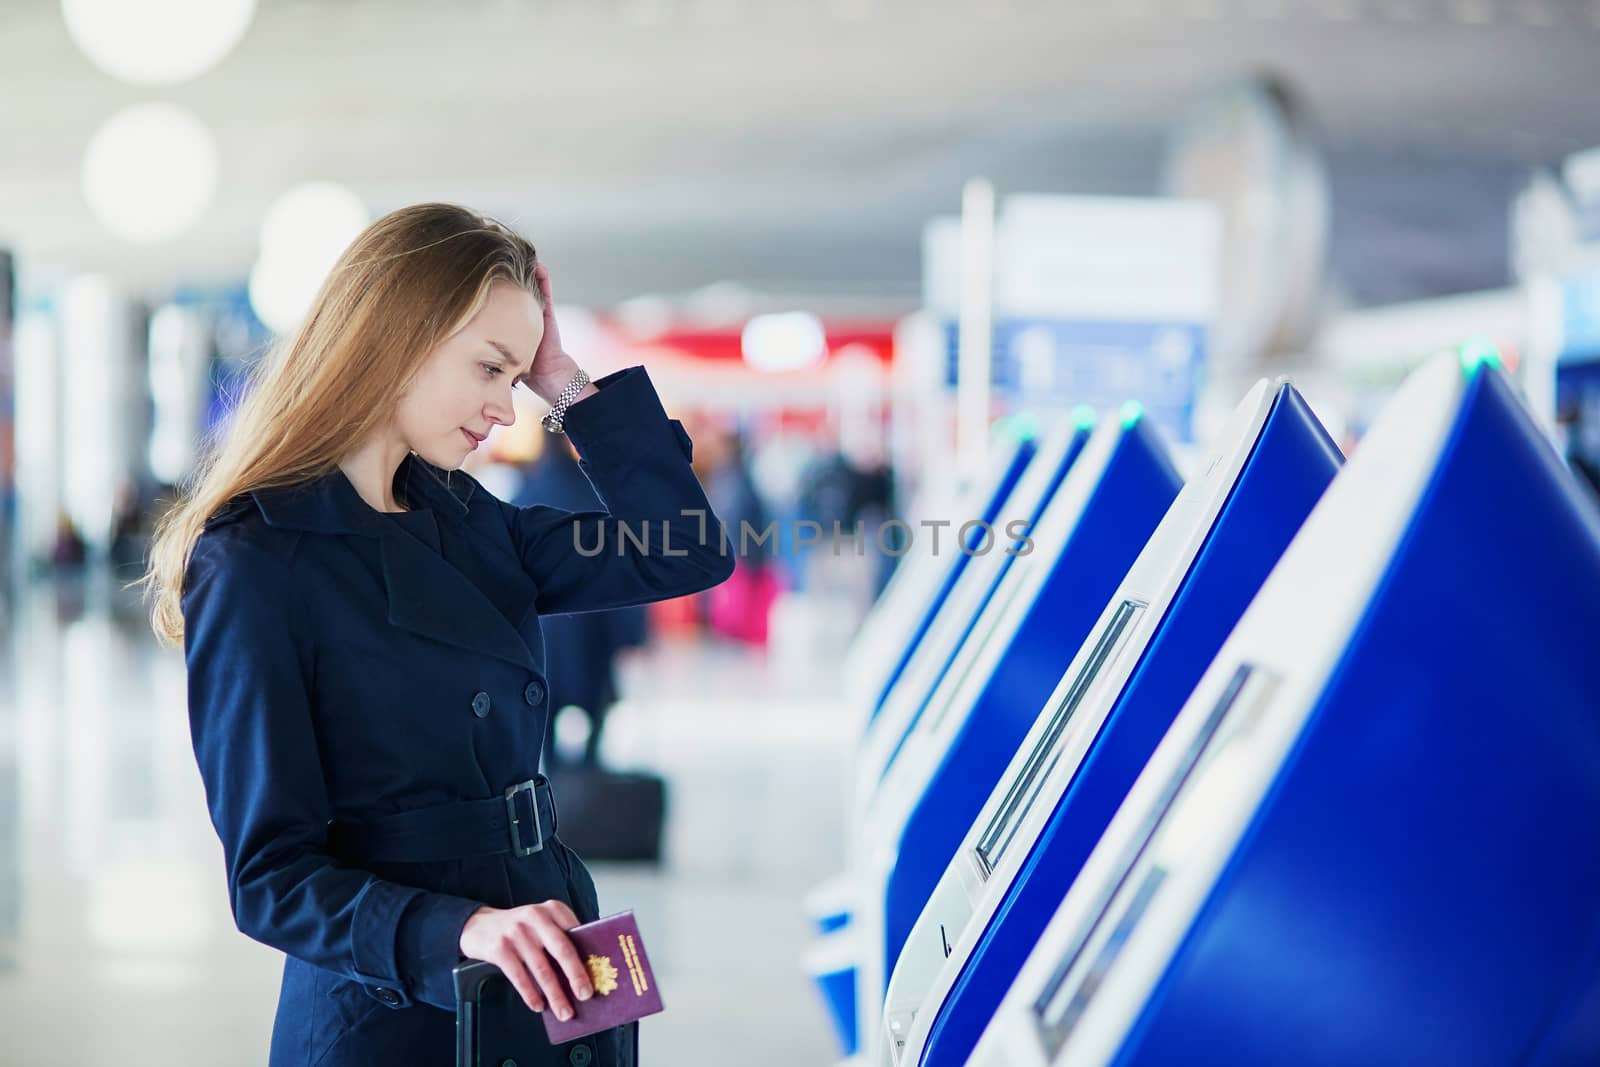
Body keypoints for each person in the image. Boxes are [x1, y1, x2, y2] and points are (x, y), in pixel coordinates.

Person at [139, 203, 734, 1067]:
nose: (506, 406)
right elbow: (272, 876)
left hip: (546, 943)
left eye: (518, 373)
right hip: (394, 996)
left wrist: (565, 383)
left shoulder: (467, 518)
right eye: (492, 368)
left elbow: (683, 552)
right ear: (396, 339)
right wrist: (465, 930)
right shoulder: (258, 556)